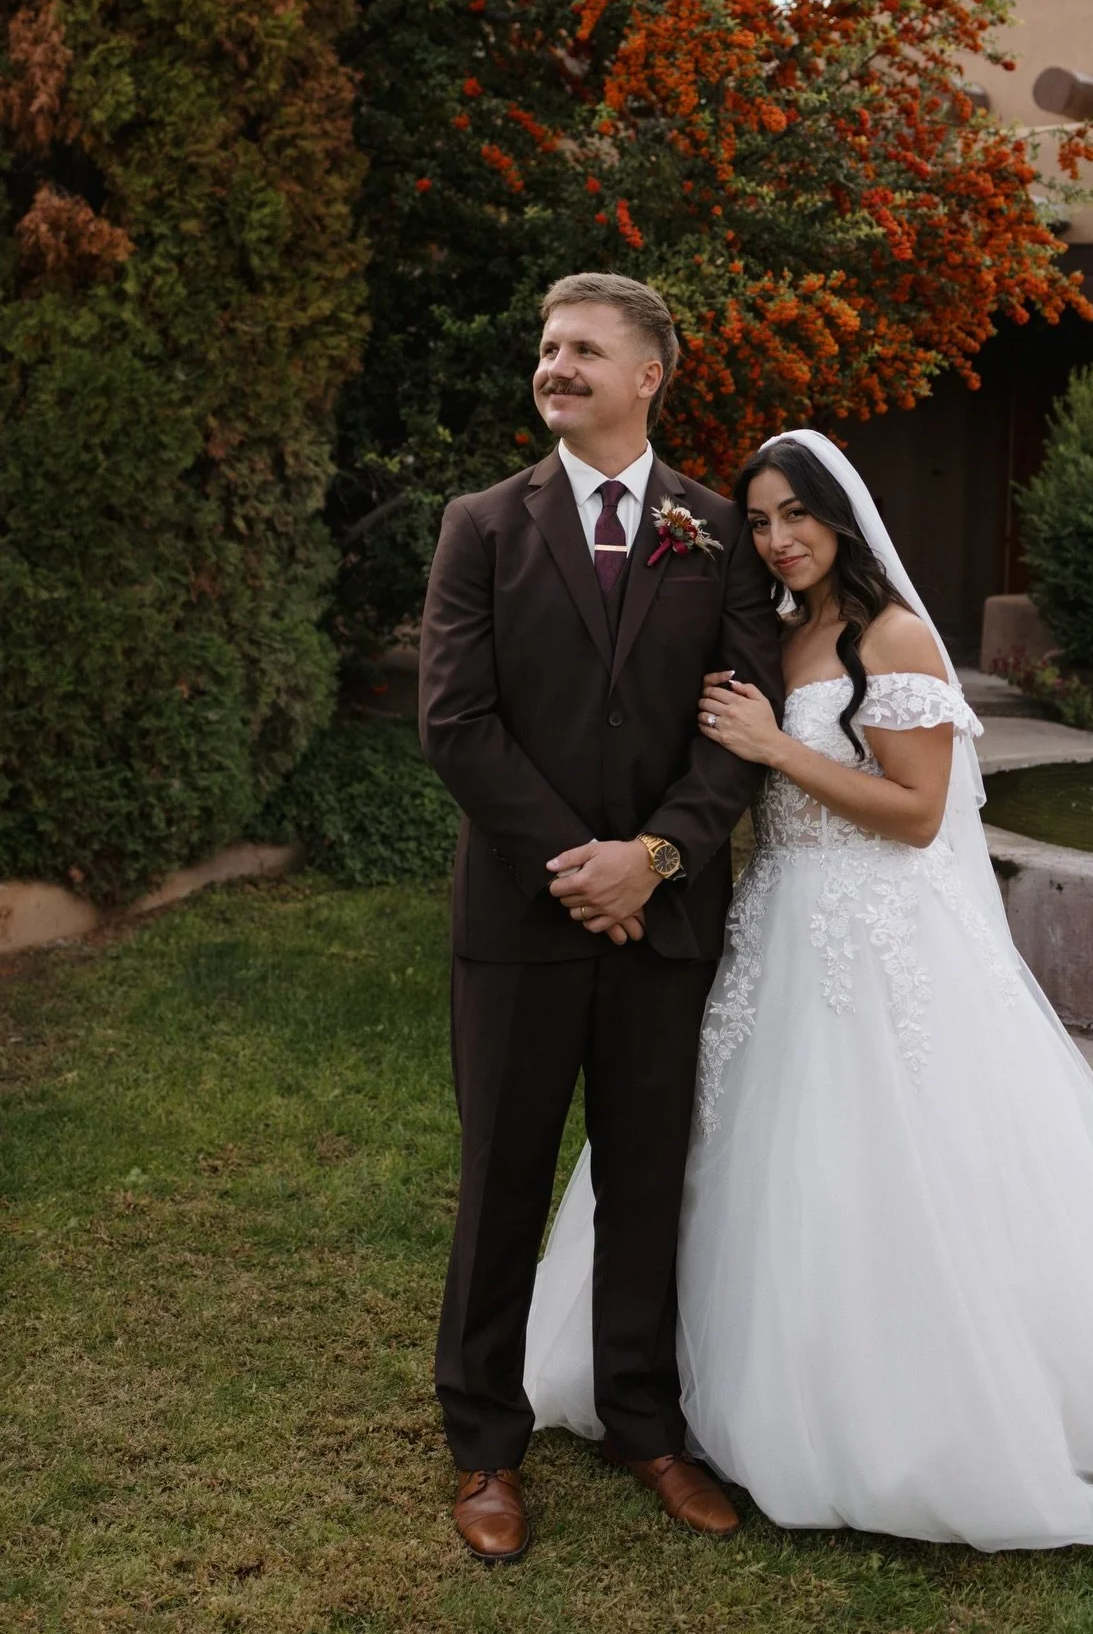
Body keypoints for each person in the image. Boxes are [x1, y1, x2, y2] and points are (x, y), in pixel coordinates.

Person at [524, 428, 1093, 1552]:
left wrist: (774, 749)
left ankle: (905, 1416)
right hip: (774, 920)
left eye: (798, 514)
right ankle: (705, 1385)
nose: (779, 538)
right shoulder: (779, 635)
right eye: (760, 519)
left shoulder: (897, 638)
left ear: (841, 514)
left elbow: (916, 812)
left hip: (877, 932)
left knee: (876, 1160)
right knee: (735, 1154)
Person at [418, 273, 784, 1564]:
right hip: (522, 915)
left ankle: (645, 1420)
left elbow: (746, 725)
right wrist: (582, 864)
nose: (556, 365)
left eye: (584, 348)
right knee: (501, 1179)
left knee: (647, 1175)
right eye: (547, 346)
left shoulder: (718, 529)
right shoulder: (483, 524)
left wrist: (659, 856)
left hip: (668, 918)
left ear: (650, 374)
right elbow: (456, 721)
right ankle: (483, 1443)